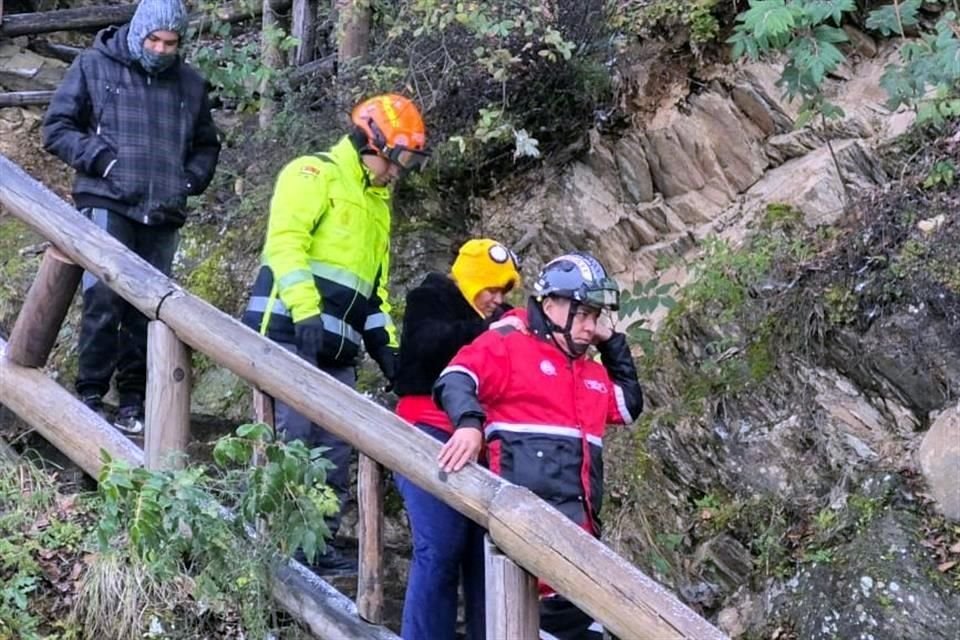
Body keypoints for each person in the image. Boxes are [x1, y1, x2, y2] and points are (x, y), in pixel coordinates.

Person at [241, 93, 429, 574]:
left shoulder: (377, 205)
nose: (399, 172)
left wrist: (389, 352)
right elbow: (285, 246)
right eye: (398, 159)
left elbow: (373, 291)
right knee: (293, 442)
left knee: (335, 450)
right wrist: (305, 314)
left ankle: (315, 547)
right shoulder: (313, 174)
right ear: (374, 142)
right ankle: (274, 550)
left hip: (337, 349)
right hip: (287, 334)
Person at [433, 252, 643, 640]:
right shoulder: (509, 346)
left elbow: (629, 406)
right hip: (523, 563)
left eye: (595, 316)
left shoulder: (591, 373)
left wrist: (611, 342)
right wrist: (469, 425)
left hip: (580, 560)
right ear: (549, 305)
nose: (588, 326)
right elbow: (456, 377)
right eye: (581, 314)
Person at [41, 0, 221, 434]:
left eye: (170, 43)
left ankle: (134, 401)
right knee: (103, 297)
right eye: (154, 41)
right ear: (139, 34)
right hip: (106, 199)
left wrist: (189, 182)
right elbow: (57, 128)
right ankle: (90, 393)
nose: (160, 50)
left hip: (163, 211)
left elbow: (206, 145)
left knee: (149, 310)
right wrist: (104, 162)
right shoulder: (93, 66)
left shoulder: (190, 84)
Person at [392, 238, 522, 640]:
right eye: (491, 288)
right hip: (427, 431)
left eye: (502, 292)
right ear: (472, 278)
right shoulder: (430, 297)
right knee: (441, 547)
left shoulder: (496, 317)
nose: (495, 299)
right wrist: (489, 329)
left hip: (481, 438)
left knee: (484, 557)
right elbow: (427, 346)